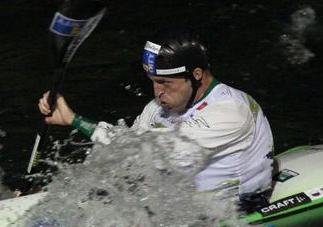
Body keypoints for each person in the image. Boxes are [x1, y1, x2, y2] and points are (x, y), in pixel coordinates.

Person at [37, 28, 274, 206]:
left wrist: (77, 121)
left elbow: (148, 155)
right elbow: (127, 147)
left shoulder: (230, 112)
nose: (157, 92)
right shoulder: (157, 107)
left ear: (197, 75)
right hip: (183, 202)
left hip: (238, 206)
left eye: (165, 83)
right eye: (153, 82)